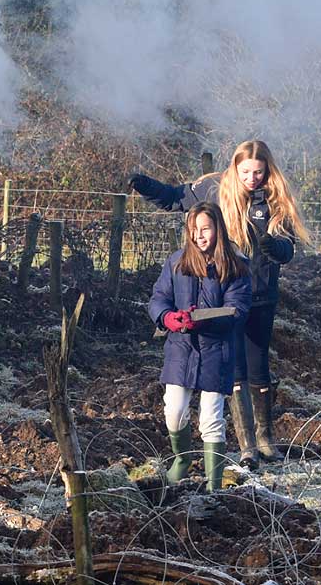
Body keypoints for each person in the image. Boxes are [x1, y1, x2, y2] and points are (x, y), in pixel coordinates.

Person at [132, 140, 310, 463]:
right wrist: (146, 187)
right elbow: (176, 199)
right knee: (236, 366)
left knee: (259, 366)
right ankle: (247, 448)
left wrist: (274, 249)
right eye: (245, 171)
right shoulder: (214, 188)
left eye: (258, 172)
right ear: (234, 168)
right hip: (225, 295)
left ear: (267, 171)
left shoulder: (274, 199)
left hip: (261, 296)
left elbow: (288, 247)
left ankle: (266, 438)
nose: (252, 178)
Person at [150, 202, 253, 492]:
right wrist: (168, 317)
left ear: (218, 228)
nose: (199, 236)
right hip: (180, 350)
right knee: (175, 411)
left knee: (211, 417)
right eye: (194, 230)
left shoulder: (235, 267)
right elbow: (158, 298)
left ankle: (214, 486)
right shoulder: (176, 263)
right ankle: (181, 461)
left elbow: (238, 310)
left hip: (216, 352)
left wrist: (205, 322)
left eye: (205, 229)